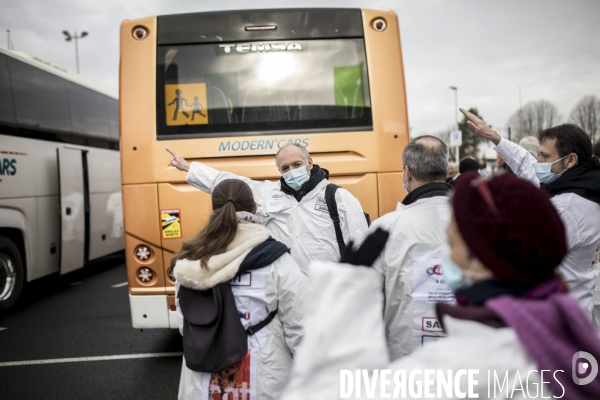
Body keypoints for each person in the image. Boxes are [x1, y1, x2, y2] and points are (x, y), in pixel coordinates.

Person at [281, 173, 600, 399]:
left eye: (452, 244)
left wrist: (344, 299)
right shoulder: (572, 338)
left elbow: (322, 391)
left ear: (482, 261)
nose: (445, 255)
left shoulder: (454, 369)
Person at [460, 108, 600, 320]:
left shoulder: (568, 208)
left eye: (544, 156)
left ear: (570, 160)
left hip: (558, 321)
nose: (538, 163)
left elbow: (522, 256)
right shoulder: (579, 185)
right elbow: (525, 163)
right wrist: (494, 137)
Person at [172, 179, 306, 400]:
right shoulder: (275, 259)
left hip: (205, 372)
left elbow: (184, 324)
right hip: (264, 372)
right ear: (254, 208)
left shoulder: (190, 260)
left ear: (214, 210)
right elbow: (301, 325)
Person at [167, 144, 369, 273]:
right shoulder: (270, 194)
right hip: (290, 291)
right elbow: (229, 182)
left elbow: (363, 246)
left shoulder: (338, 197)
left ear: (310, 162)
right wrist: (188, 168)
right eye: (285, 168)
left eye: (296, 164)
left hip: (330, 294)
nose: (291, 171)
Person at [368, 135, 453, 360]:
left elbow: (366, 304)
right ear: (446, 169)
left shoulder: (384, 228)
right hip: (467, 361)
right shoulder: (480, 222)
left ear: (407, 172)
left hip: (405, 363)